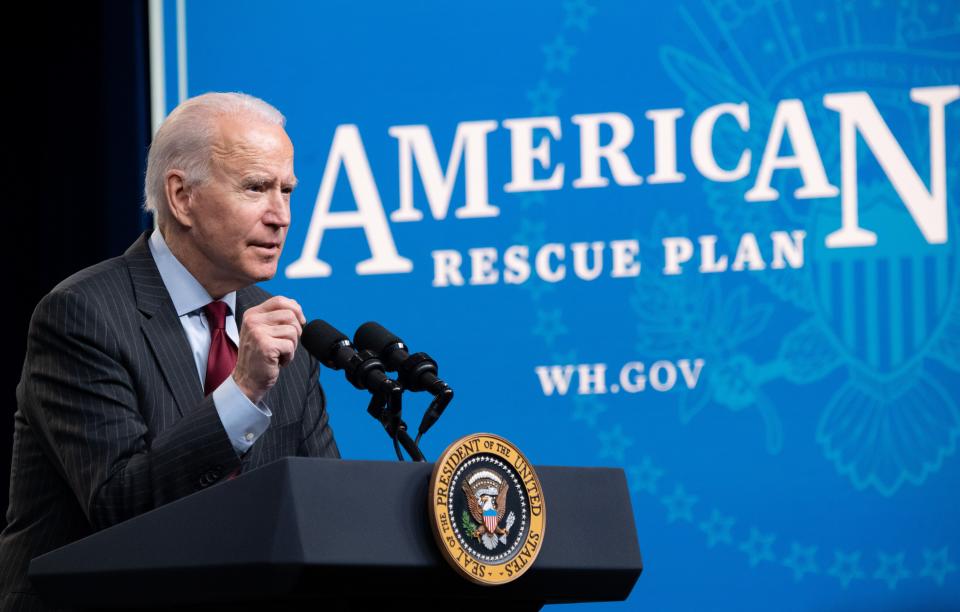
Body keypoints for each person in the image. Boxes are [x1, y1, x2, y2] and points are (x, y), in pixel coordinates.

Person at [0, 92, 339, 611]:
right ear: (181, 197)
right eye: (255, 188)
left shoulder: (280, 325)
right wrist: (244, 391)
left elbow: (320, 507)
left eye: (287, 191)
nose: (281, 215)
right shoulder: (82, 315)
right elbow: (120, 506)